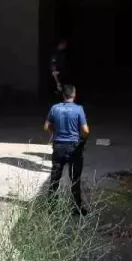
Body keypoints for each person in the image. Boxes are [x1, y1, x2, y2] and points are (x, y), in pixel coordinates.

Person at [44, 84, 90, 213]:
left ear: (63, 95)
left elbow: (46, 127)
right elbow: (86, 130)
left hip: (58, 146)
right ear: (74, 95)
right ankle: (76, 208)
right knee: (75, 178)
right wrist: (82, 139)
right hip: (74, 147)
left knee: (55, 177)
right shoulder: (78, 109)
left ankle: (51, 208)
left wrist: (56, 132)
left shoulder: (54, 108)